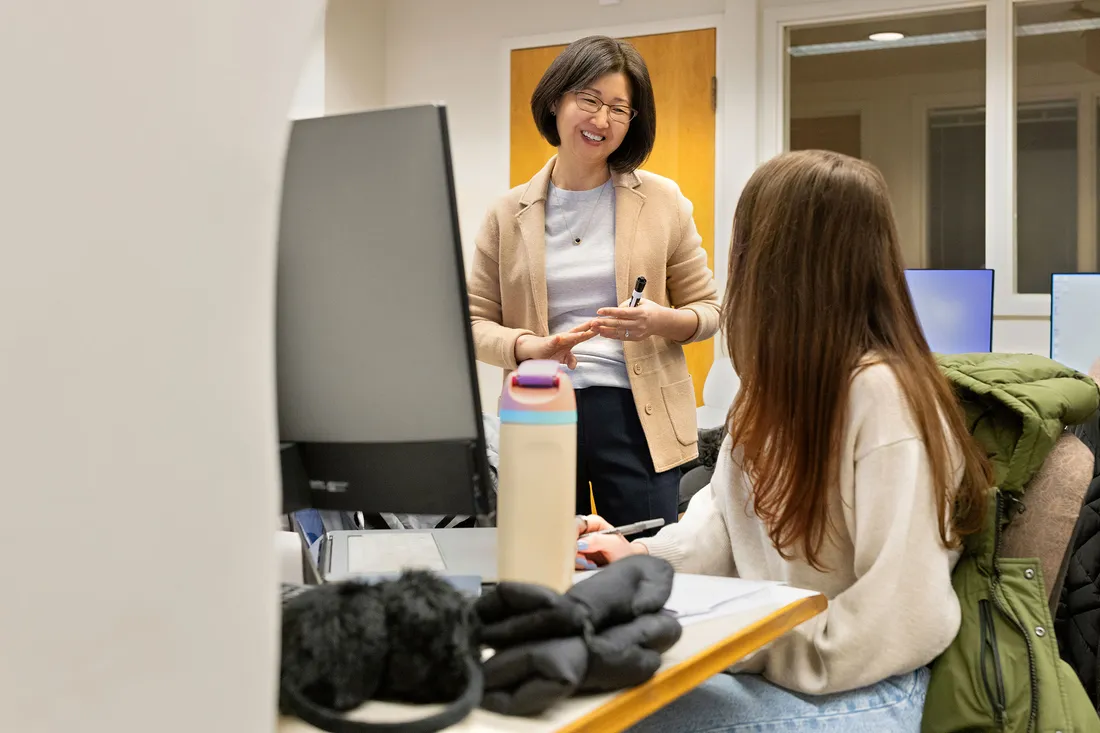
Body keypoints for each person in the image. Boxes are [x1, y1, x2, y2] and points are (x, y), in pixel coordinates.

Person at [575, 149, 994, 731]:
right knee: (593, 694)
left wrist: (741, 647)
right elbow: (724, 521)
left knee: (618, 717)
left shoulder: (881, 396)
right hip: (783, 659)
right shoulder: (768, 390)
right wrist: (640, 555)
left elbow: (906, 613)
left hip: (868, 686)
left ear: (771, 263)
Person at [467, 36, 720, 532]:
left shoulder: (663, 200)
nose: (602, 120)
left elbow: (709, 310)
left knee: (643, 558)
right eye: (590, 100)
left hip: (636, 412)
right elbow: (472, 321)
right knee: (542, 563)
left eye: (620, 109)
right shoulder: (506, 213)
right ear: (557, 100)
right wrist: (529, 346)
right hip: (540, 406)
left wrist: (657, 321)